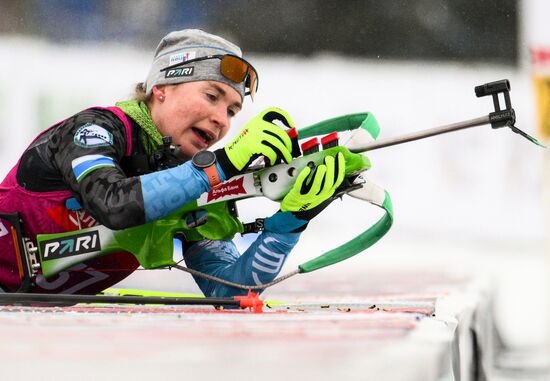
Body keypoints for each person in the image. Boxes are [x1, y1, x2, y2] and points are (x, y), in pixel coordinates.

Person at [0, 29, 344, 297]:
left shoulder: (195, 178)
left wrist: (289, 224)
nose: (221, 120)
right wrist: (220, 165)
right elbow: (114, 205)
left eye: (231, 111)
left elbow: (229, 290)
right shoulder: (94, 129)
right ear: (161, 86)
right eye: (212, 96)